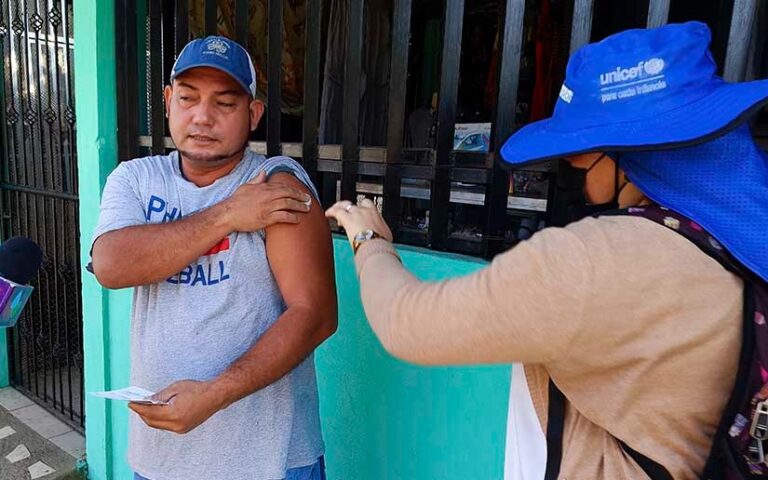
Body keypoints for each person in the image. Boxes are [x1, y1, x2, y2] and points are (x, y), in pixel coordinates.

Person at [326, 21, 768, 479]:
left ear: (625, 152)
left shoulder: (598, 261)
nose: (567, 168)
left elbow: (407, 322)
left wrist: (369, 241)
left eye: (577, 155)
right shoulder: (740, 234)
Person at [90, 36, 337, 480]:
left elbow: (315, 314)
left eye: (224, 103)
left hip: (271, 462)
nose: (202, 117)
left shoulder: (277, 183)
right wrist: (227, 214)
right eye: (188, 98)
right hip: (161, 460)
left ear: (253, 114)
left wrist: (215, 394)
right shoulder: (136, 179)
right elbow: (111, 265)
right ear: (167, 101)